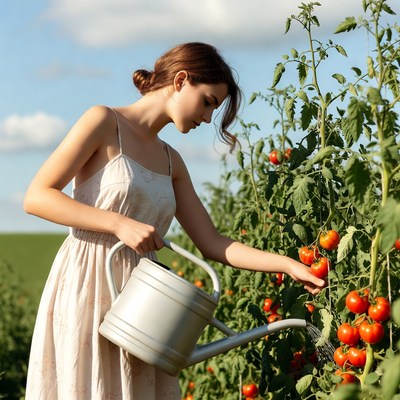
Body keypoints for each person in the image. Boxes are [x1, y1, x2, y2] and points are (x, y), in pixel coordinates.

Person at [24, 42, 325, 400]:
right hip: (88, 278)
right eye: (209, 102)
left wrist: (289, 265)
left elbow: (214, 244)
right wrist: (118, 223)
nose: (208, 118)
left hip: (145, 301)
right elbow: (38, 196)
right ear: (181, 80)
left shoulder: (172, 162)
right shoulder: (104, 121)